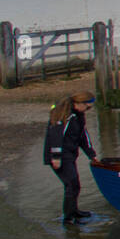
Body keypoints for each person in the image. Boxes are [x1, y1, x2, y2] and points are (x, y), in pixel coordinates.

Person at [43, 90, 97, 223]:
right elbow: (56, 136)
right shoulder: (65, 116)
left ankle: (74, 211)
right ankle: (68, 218)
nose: (88, 109)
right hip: (59, 156)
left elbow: (83, 136)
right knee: (71, 184)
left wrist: (91, 154)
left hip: (69, 155)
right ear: (78, 103)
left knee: (75, 185)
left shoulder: (79, 115)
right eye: (87, 106)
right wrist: (56, 157)